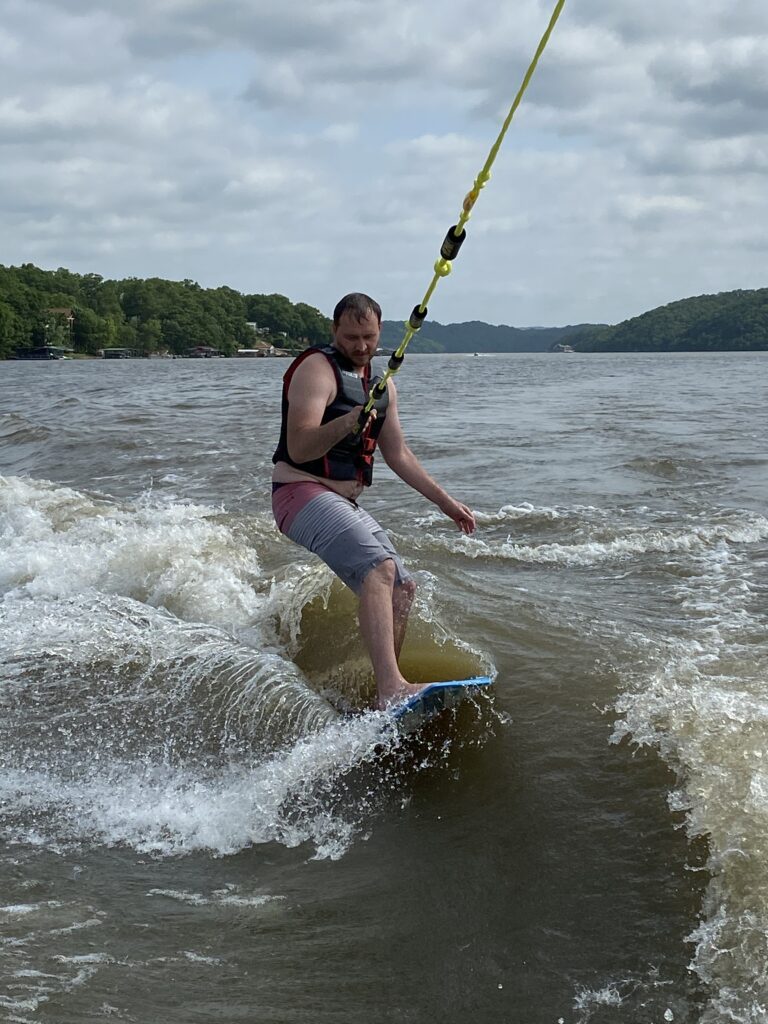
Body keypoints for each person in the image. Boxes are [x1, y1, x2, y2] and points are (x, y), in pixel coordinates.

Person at [271, 292, 475, 710]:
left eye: (368, 337)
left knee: (402, 586)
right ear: (334, 332)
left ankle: (384, 692)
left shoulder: (383, 387)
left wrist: (446, 503)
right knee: (379, 569)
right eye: (350, 338)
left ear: (381, 331)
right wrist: (348, 421)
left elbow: (398, 454)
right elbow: (300, 445)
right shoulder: (317, 369)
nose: (361, 347)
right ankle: (392, 688)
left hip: (342, 502)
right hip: (298, 492)